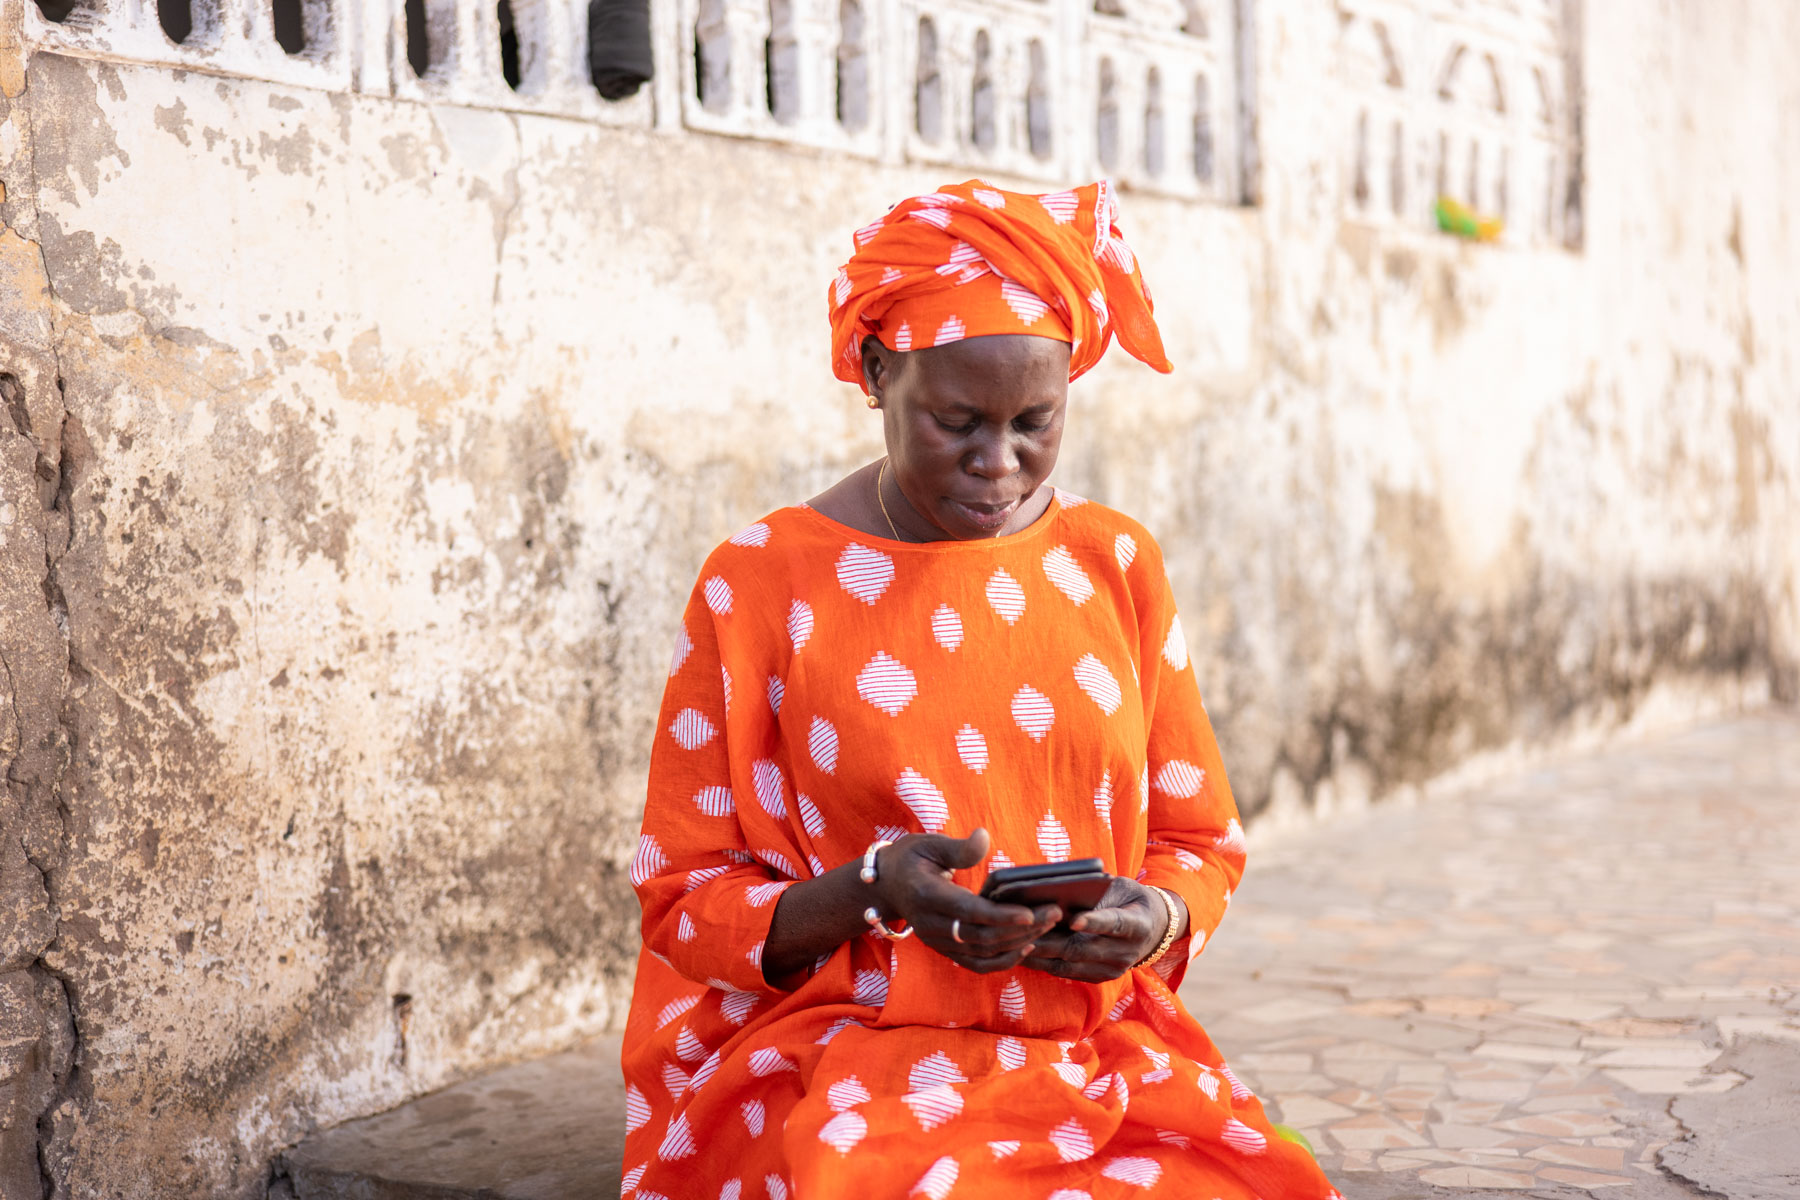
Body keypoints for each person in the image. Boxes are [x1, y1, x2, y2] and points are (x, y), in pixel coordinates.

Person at [618, 180, 1338, 1200]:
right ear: (876, 373)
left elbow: (1199, 844)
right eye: (956, 422)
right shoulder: (762, 581)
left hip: (1082, 1045)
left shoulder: (1113, 562)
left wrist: (1152, 922)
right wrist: (873, 890)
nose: (999, 465)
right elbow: (684, 899)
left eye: (1036, 423)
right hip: (837, 1044)